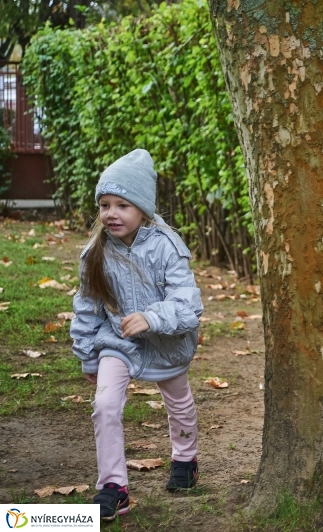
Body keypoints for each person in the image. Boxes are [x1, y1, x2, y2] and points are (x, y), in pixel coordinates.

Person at [70, 149, 204, 521]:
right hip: (118, 342)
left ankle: (185, 460)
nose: (111, 213)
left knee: (178, 402)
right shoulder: (95, 252)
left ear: (142, 209)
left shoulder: (167, 246)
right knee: (105, 406)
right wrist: (86, 351)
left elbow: (188, 305)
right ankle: (114, 487)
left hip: (166, 341)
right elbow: (87, 304)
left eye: (122, 205)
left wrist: (150, 316)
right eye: (104, 204)